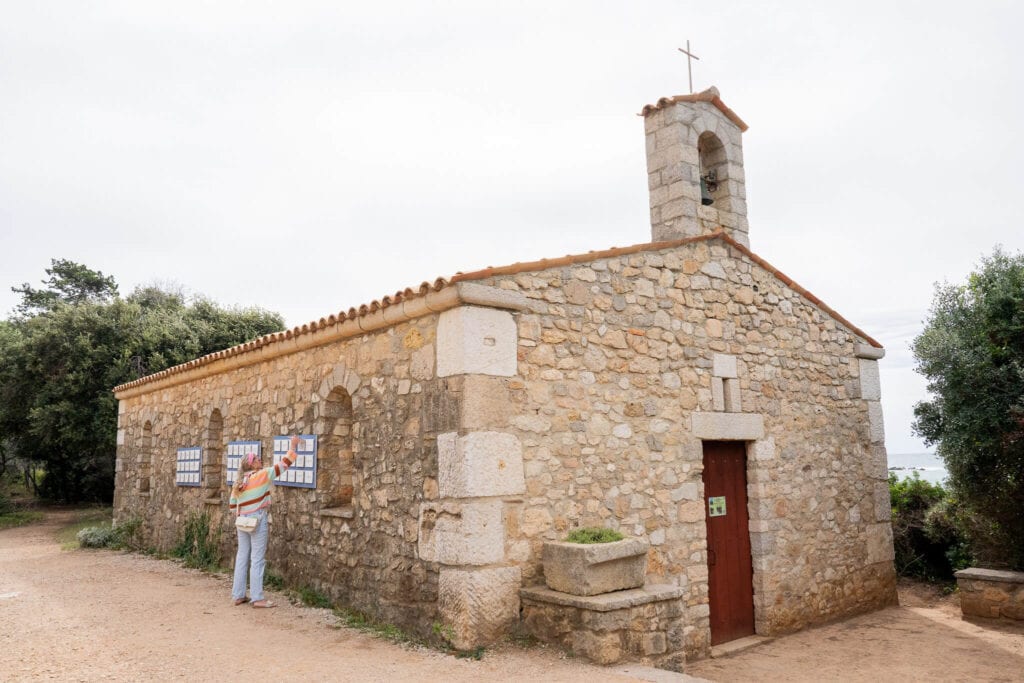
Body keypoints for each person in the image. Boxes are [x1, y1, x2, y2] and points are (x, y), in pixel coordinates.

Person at [229, 433, 300, 608]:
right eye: (257, 459)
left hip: (242, 522)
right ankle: (257, 597)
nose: (260, 460)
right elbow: (284, 464)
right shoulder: (261, 475)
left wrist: (244, 513)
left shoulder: (239, 483)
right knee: (258, 558)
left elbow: (232, 506)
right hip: (257, 519)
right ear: (252, 464)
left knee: (242, 556)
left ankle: (238, 595)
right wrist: (293, 446)